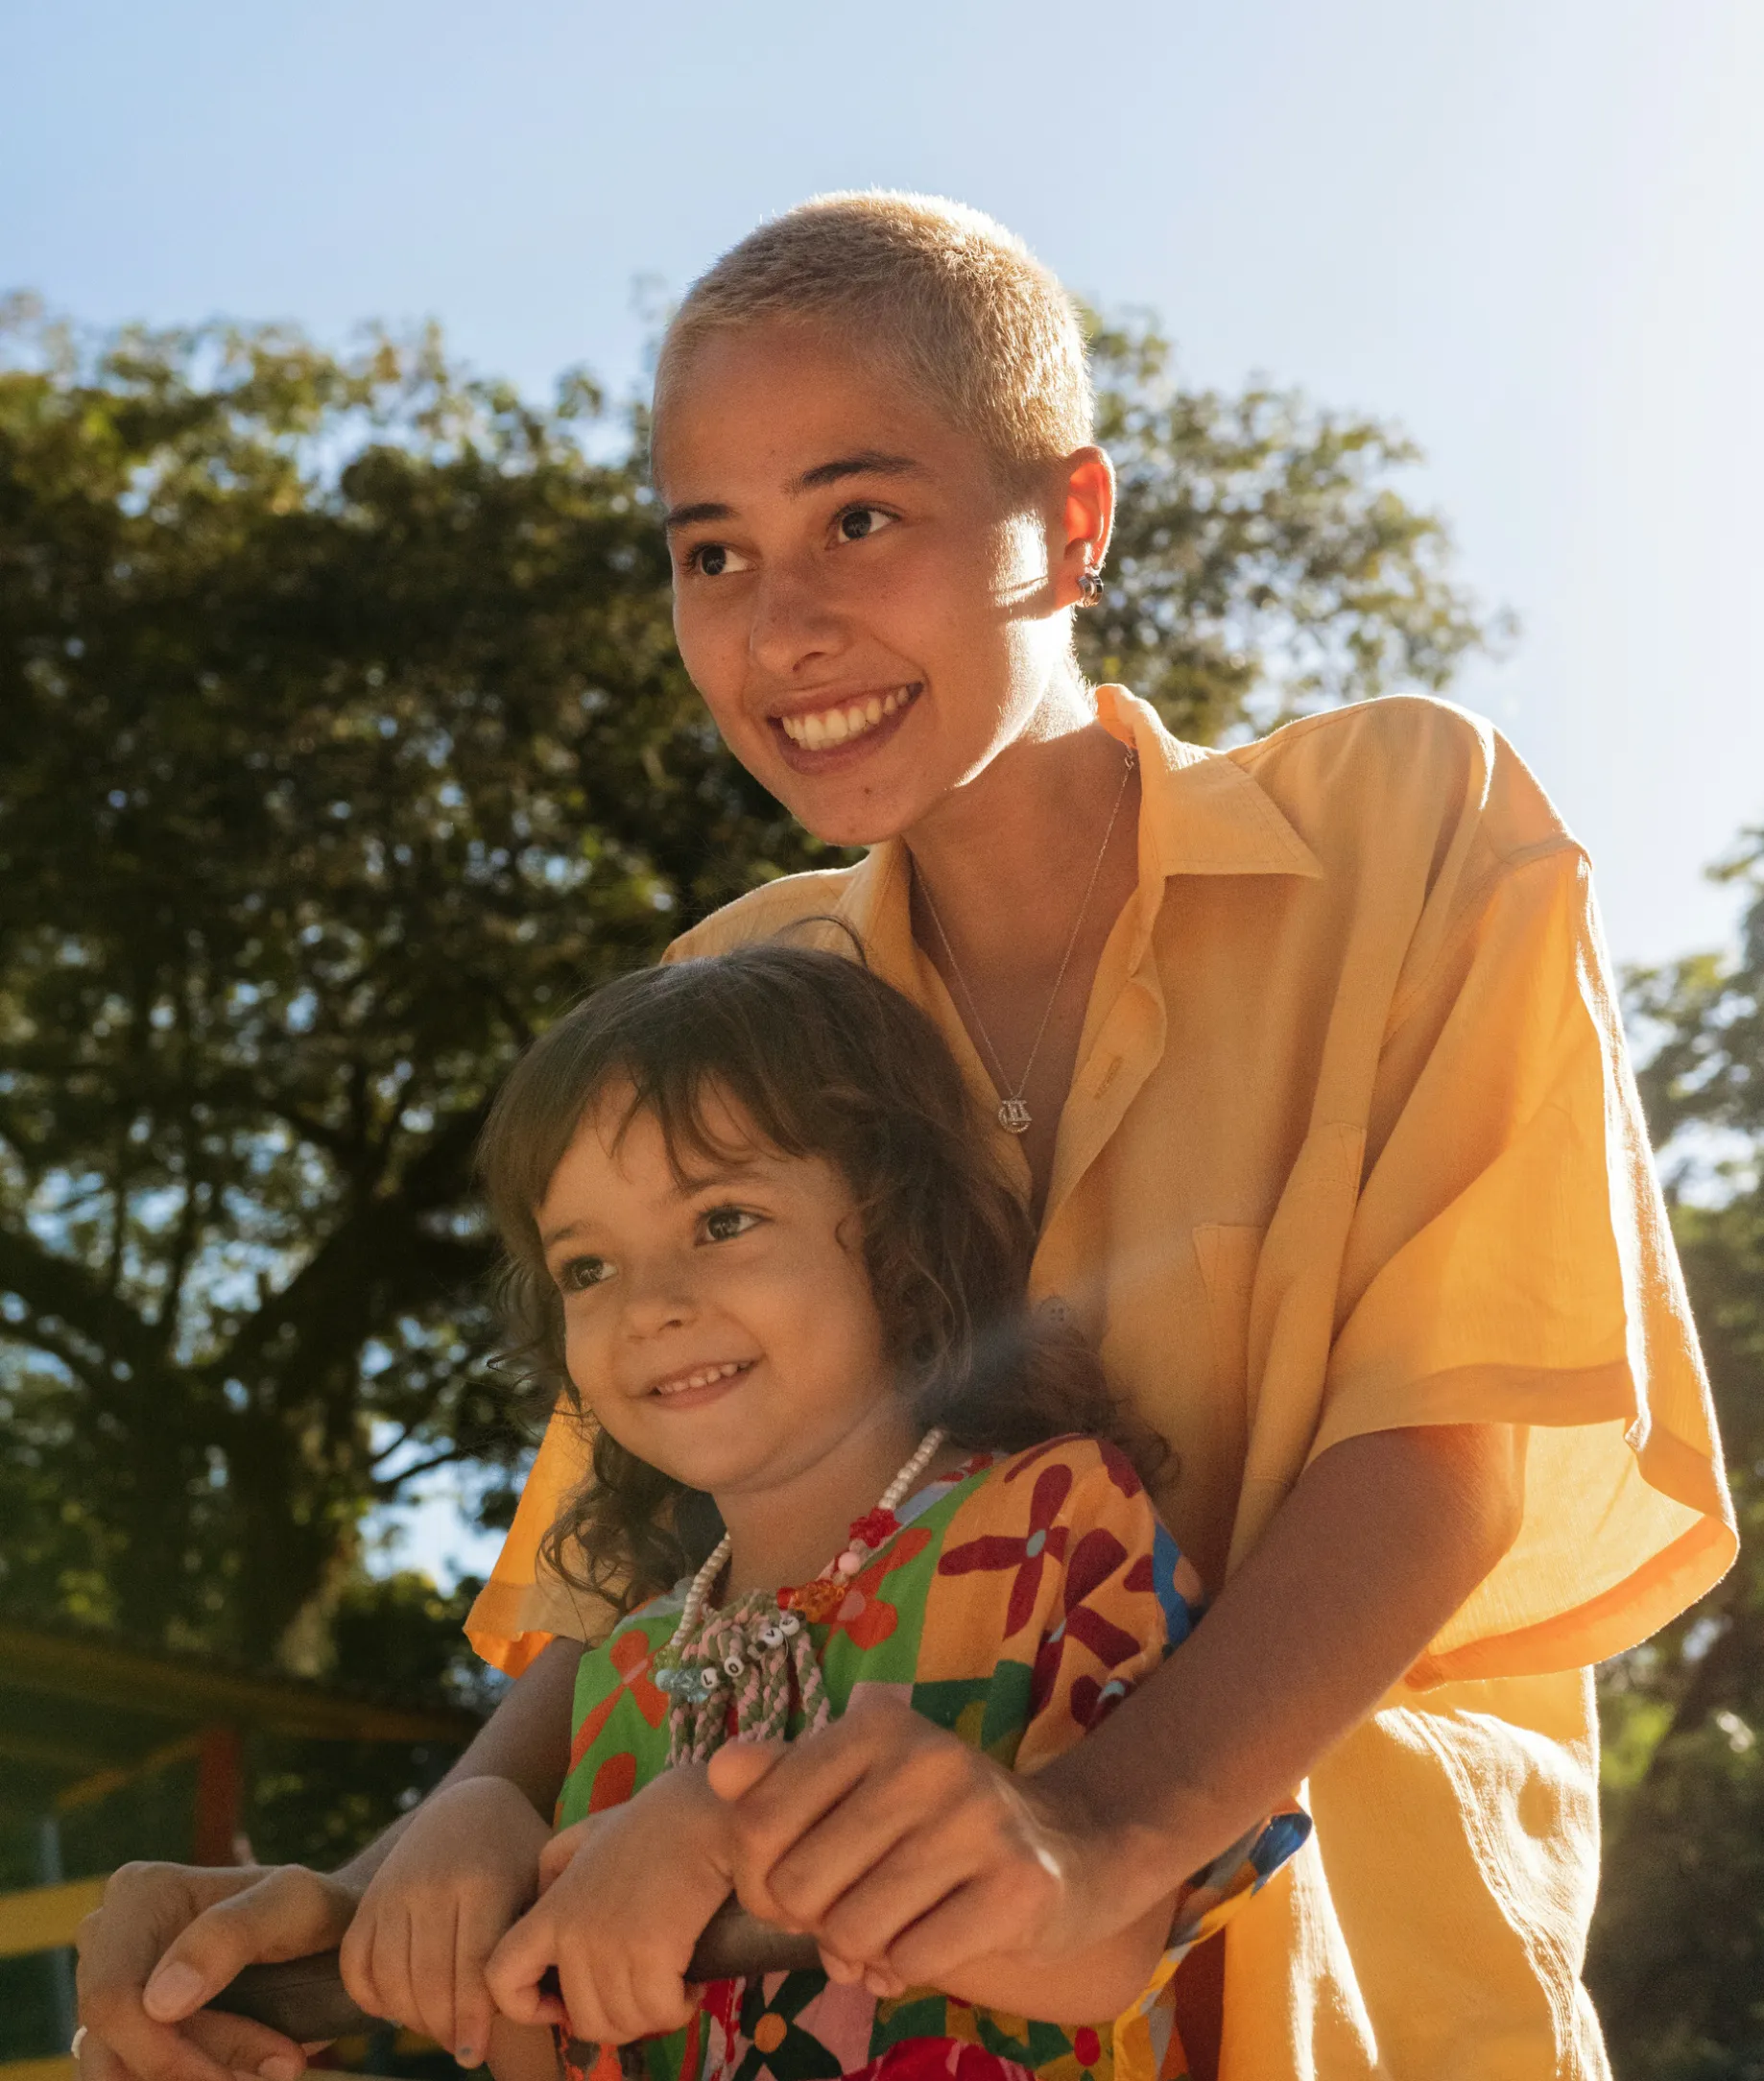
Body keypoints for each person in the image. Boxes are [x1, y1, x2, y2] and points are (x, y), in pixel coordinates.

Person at [77, 192, 1735, 2081]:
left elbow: (1441, 1451)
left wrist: (1085, 1824)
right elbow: (635, 1588)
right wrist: (394, 1880)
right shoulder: (731, 983)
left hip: (1346, 2006)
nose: (782, 625)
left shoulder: (1408, 817)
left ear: (1076, 523)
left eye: (858, 517)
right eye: (714, 551)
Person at [466, 943, 1305, 2080]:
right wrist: (471, 1881)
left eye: (719, 1220)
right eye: (584, 1268)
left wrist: (722, 1831)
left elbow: (1104, 1940)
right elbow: (556, 2039)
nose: (650, 1305)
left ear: (895, 1225)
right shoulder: (624, 1667)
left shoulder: (1050, 1521)